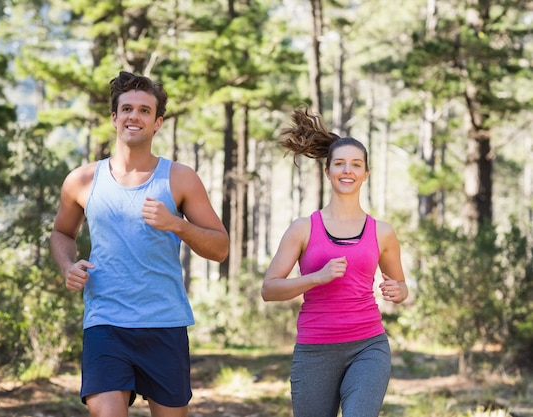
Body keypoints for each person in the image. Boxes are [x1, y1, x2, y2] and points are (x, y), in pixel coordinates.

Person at [50, 71, 229, 417]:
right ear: (114, 117)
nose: (135, 116)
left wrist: (175, 224)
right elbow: (61, 234)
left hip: (163, 322)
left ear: (158, 122)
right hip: (105, 321)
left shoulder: (179, 178)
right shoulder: (82, 180)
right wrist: (68, 266)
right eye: (127, 109)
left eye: (145, 111)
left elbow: (219, 248)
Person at [261, 106, 408, 417]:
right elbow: (269, 289)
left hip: (368, 345)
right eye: (339, 164)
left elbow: (401, 284)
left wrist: (399, 290)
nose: (347, 171)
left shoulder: (382, 232)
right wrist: (316, 277)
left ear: (366, 173)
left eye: (356, 165)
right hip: (315, 349)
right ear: (327, 171)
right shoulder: (303, 228)